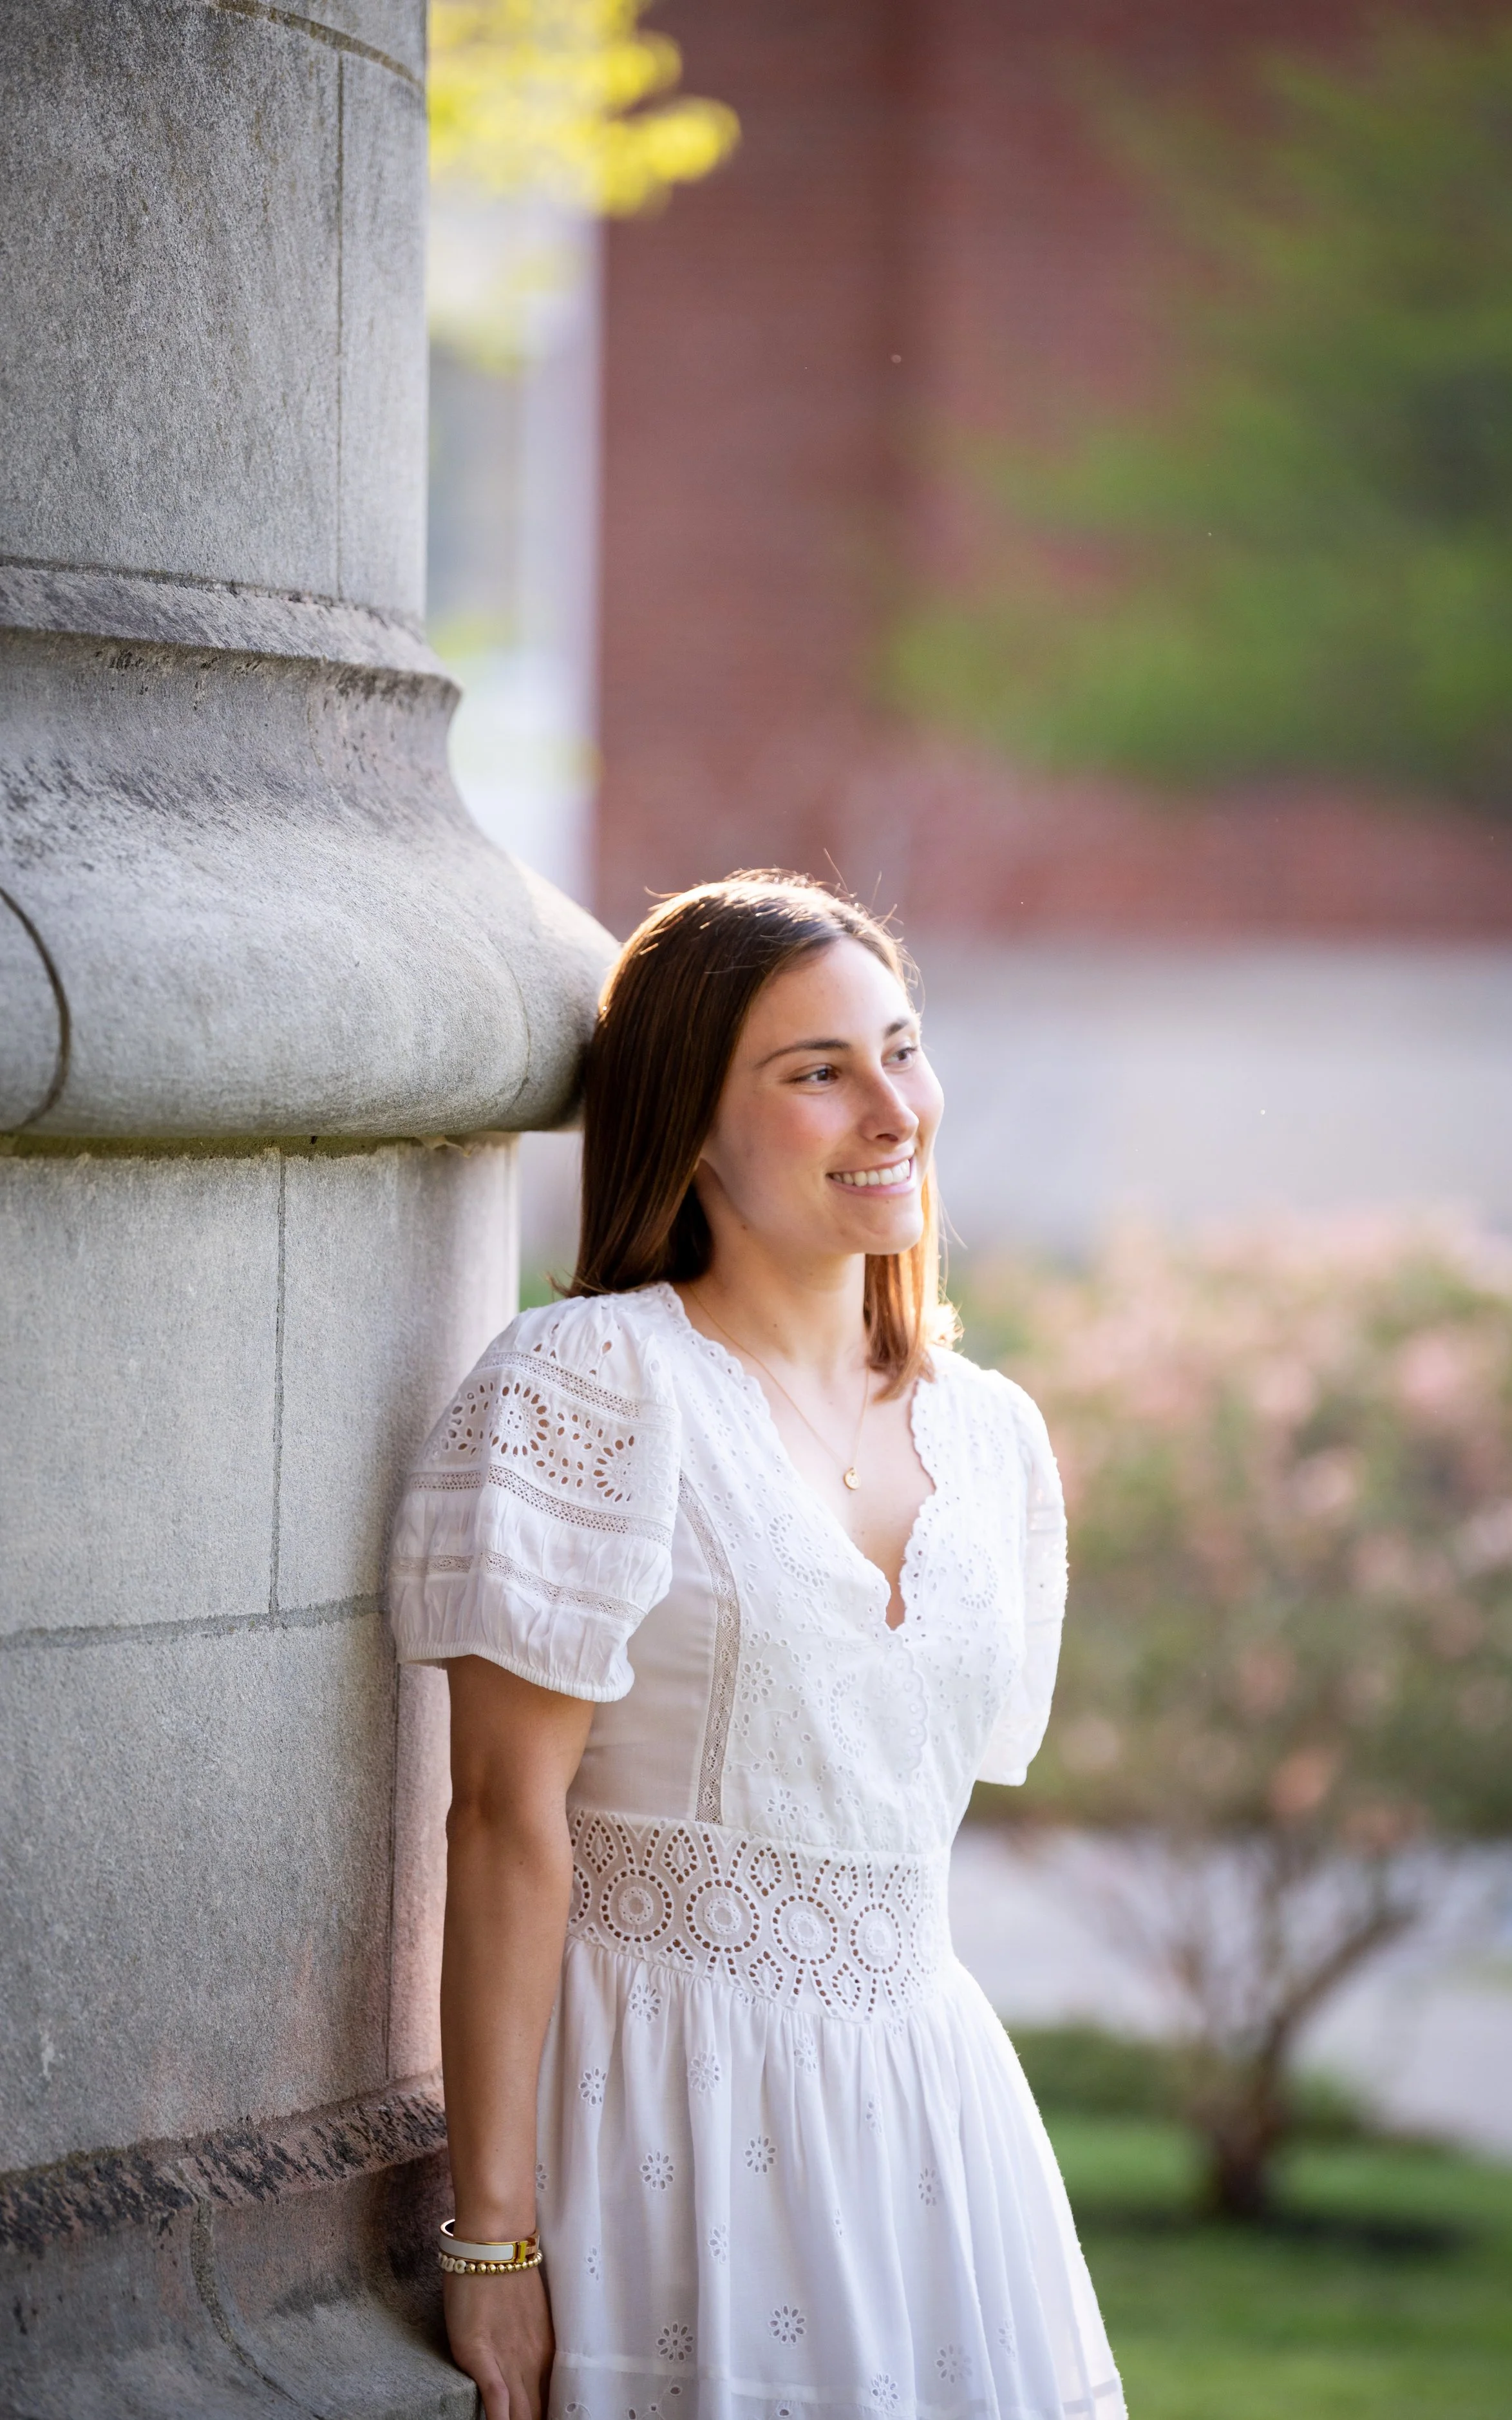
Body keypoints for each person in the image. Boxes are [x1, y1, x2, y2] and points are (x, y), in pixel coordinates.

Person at [387, 875, 1124, 2420]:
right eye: (817, 1073)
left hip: (929, 2116)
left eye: (901, 1050)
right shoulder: (589, 1386)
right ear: (691, 1127)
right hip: (665, 2104)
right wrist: (494, 2242)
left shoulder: (992, 1436)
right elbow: (502, 1825)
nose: (891, 1108)